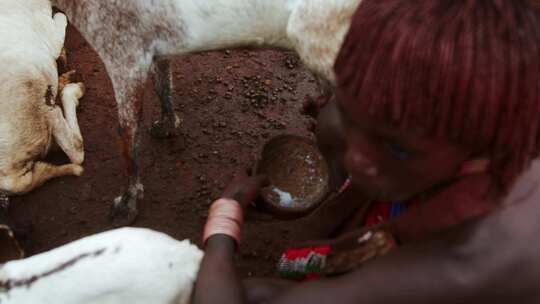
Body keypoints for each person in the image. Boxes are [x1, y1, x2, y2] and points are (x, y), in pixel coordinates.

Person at [192, 0, 540, 303]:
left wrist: (224, 225)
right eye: (351, 113)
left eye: (397, 148)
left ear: (486, 146)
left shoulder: (471, 261)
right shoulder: (487, 126)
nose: (356, 158)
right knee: (330, 126)